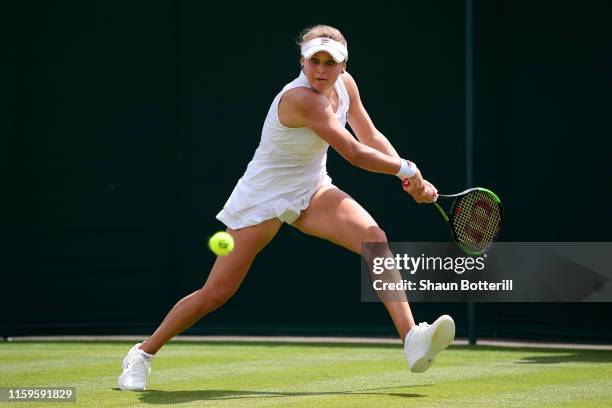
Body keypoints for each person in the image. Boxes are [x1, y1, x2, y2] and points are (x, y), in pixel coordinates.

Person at [118, 24, 455, 391]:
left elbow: (370, 135)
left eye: (331, 62)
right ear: (302, 61)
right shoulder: (302, 99)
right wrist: (408, 170)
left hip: (311, 188)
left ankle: (411, 338)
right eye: (314, 61)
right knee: (215, 294)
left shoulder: (346, 86)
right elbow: (355, 153)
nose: (322, 70)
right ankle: (142, 353)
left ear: (344, 65)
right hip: (264, 197)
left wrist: (408, 178)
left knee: (374, 239)